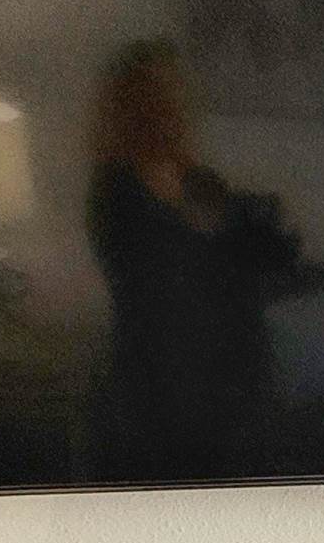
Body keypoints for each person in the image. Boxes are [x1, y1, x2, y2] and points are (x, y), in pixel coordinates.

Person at [82, 39, 298, 480]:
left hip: (233, 376)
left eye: (178, 92)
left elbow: (267, 261)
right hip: (159, 381)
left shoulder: (202, 181)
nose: (176, 105)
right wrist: (215, 234)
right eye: (162, 92)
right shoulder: (115, 190)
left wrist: (261, 227)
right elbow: (150, 281)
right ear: (136, 104)